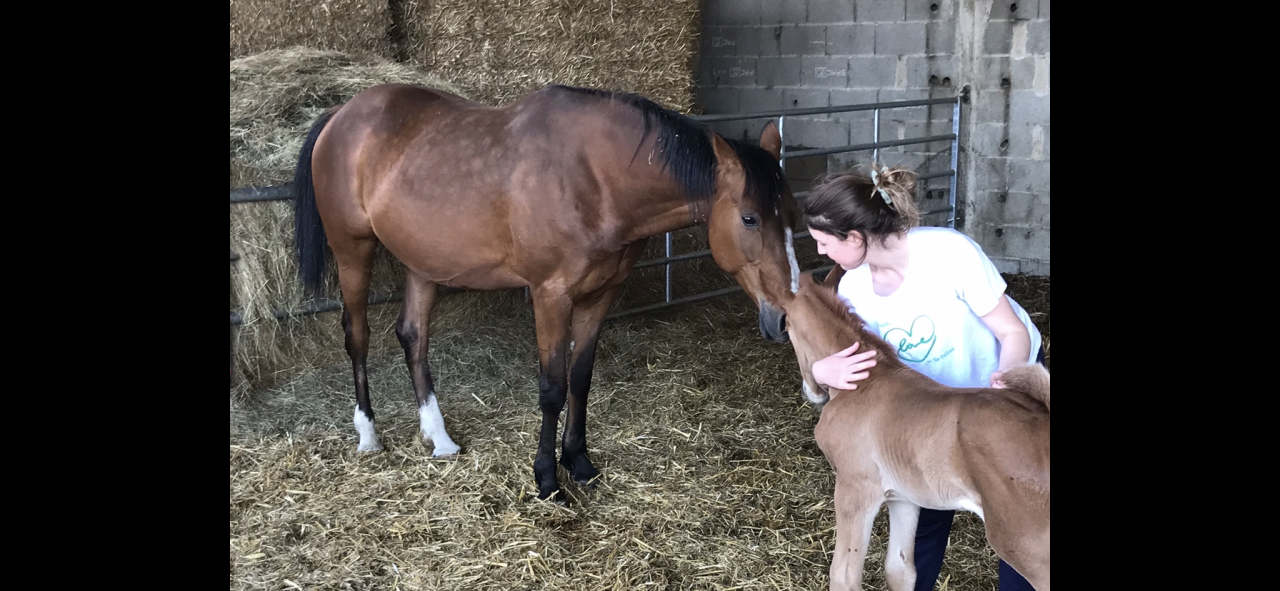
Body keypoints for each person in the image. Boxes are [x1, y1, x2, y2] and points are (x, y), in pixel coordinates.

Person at [802, 163, 1045, 591]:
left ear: (855, 238)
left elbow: (1011, 331)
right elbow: (870, 372)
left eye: (824, 242)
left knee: (1019, 519)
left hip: (998, 377)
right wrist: (822, 372)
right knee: (925, 510)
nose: (821, 253)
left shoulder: (949, 254)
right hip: (927, 406)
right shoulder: (853, 287)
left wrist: (1004, 386)